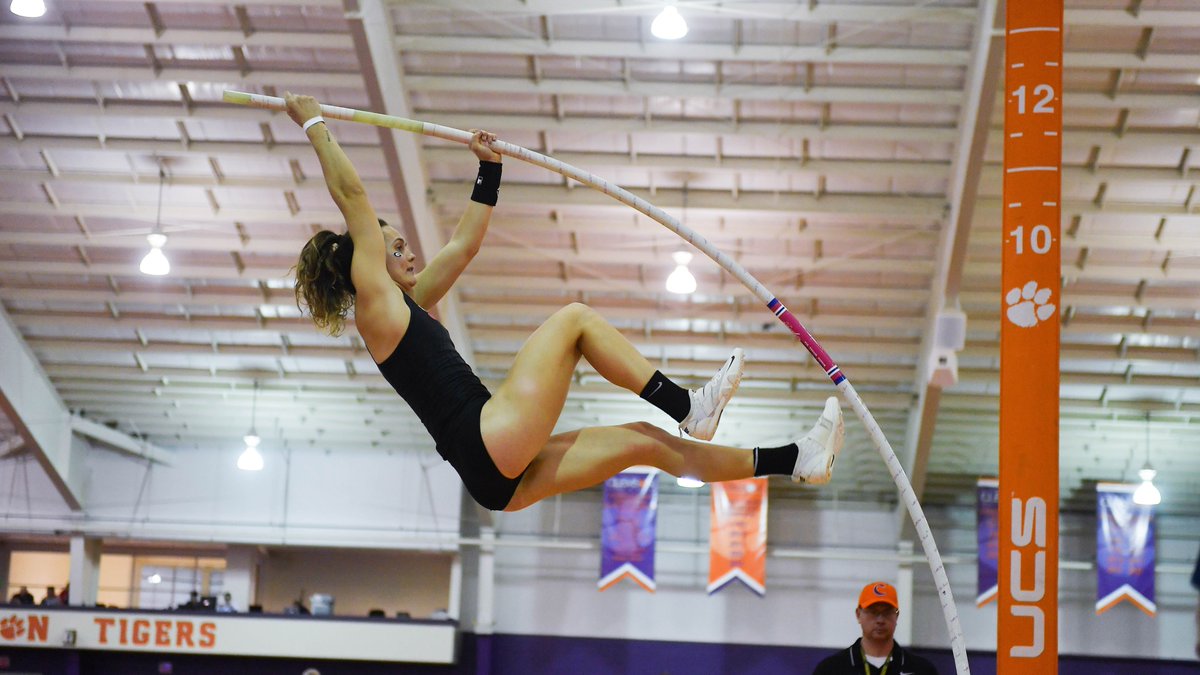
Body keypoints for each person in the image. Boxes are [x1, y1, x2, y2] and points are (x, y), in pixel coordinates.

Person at [285, 92, 845, 513]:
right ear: (364, 264)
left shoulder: (411, 305)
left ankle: (796, 460)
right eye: (395, 246)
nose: (408, 251)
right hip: (485, 438)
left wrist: (489, 169)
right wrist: (314, 123)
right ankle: (688, 407)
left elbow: (464, 244)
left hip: (495, 474)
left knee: (645, 445)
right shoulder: (375, 309)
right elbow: (354, 197)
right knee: (574, 320)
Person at [812, 581, 939, 675]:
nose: (880, 620)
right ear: (858, 614)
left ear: (897, 615)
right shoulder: (831, 669)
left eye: (887, 612)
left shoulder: (922, 670)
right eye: (873, 612)